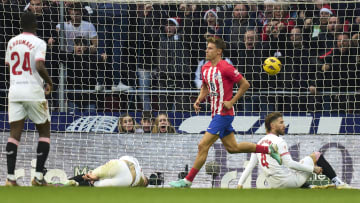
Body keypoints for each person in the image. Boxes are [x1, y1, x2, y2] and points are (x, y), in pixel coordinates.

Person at [169, 37, 281, 188]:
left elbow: (245, 84)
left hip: (224, 113)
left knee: (203, 145)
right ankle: (268, 149)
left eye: (210, 48)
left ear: (218, 51)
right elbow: (205, 87)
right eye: (206, 48)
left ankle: (187, 180)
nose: (206, 50)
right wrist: (199, 99)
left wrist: (232, 101)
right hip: (215, 113)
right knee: (233, 148)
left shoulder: (226, 67)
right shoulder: (205, 67)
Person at [237, 112, 350, 189]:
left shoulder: (259, 143)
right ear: (272, 125)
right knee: (316, 155)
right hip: (287, 183)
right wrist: (313, 169)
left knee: (290, 172)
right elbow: (290, 164)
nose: (284, 125)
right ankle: (339, 184)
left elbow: (250, 167)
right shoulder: (278, 141)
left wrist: (239, 184)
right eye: (281, 123)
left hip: (273, 185)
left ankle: (310, 187)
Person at [4, 12, 53, 186]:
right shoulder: (39, 42)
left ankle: (10, 178)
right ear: (35, 25)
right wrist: (49, 81)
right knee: (44, 132)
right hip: (33, 91)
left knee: (14, 135)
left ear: (20, 25)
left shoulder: (11, 42)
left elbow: (9, 64)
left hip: (15, 91)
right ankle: (38, 177)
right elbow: (39, 65)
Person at [64, 156, 148, 187]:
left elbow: (124, 158)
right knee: (94, 184)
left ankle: (66, 182)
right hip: (127, 178)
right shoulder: (140, 179)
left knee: (91, 176)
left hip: (120, 165)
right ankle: (75, 184)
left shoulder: (137, 164)